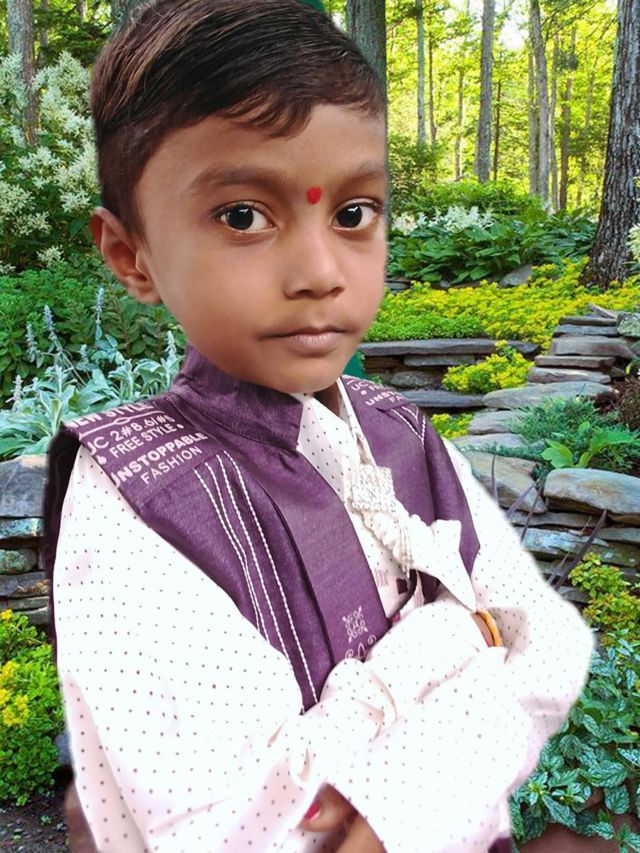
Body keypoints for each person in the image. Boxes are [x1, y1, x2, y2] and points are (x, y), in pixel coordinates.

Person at [43, 1, 594, 851]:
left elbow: (552, 643)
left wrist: (410, 784)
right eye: (243, 216)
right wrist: (456, 639)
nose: (319, 271)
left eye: (352, 212)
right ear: (131, 254)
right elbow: (259, 830)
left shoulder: (399, 432)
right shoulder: (136, 501)